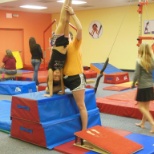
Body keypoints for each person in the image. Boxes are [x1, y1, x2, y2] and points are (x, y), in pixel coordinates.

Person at [63, 7, 88, 130]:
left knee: (81, 105)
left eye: (67, 36)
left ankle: (84, 129)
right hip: (64, 78)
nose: (66, 38)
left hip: (76, 78)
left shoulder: (75, 45)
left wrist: (73, 14)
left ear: (71, 38)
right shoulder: (62, 48)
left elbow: (80, 29)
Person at [44, 0, 72, 97]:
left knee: (62, 20)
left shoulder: (51, 68)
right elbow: (62, 82)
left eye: (55, 76)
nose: (56, 74)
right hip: (64, 43)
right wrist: (63, 91)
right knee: (67, 21)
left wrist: (50, 94)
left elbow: (51, 83)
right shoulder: (61, 70)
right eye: (57, 76)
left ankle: (65, 1)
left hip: (57, 43)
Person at [131, 43, 154, 133]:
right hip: (150, 86)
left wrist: (133, 83)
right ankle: (142, 123)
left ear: (141, 50)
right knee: (146, 107)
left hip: (143, 86)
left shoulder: (139, 60)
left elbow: (136, 74)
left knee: (141, 107)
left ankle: (152, 123)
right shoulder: (152, 60)